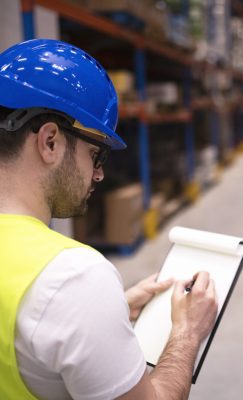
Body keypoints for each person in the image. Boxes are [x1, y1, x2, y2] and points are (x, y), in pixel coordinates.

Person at [0, 38, 218, 399]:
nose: (98, 175)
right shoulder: (73, 277)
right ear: (50, 141)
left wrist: (104, 311)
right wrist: (187, 333)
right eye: (95, 154)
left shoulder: (67, 291)